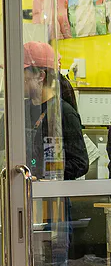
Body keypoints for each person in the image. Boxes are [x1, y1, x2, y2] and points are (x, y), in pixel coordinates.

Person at [23, 41, 88, 180]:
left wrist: (42, 176)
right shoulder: (18, 111)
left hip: (52, 198)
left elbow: (80, 163)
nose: (18, 78)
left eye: (22, 72)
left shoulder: (63, 113)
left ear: (41, 76)